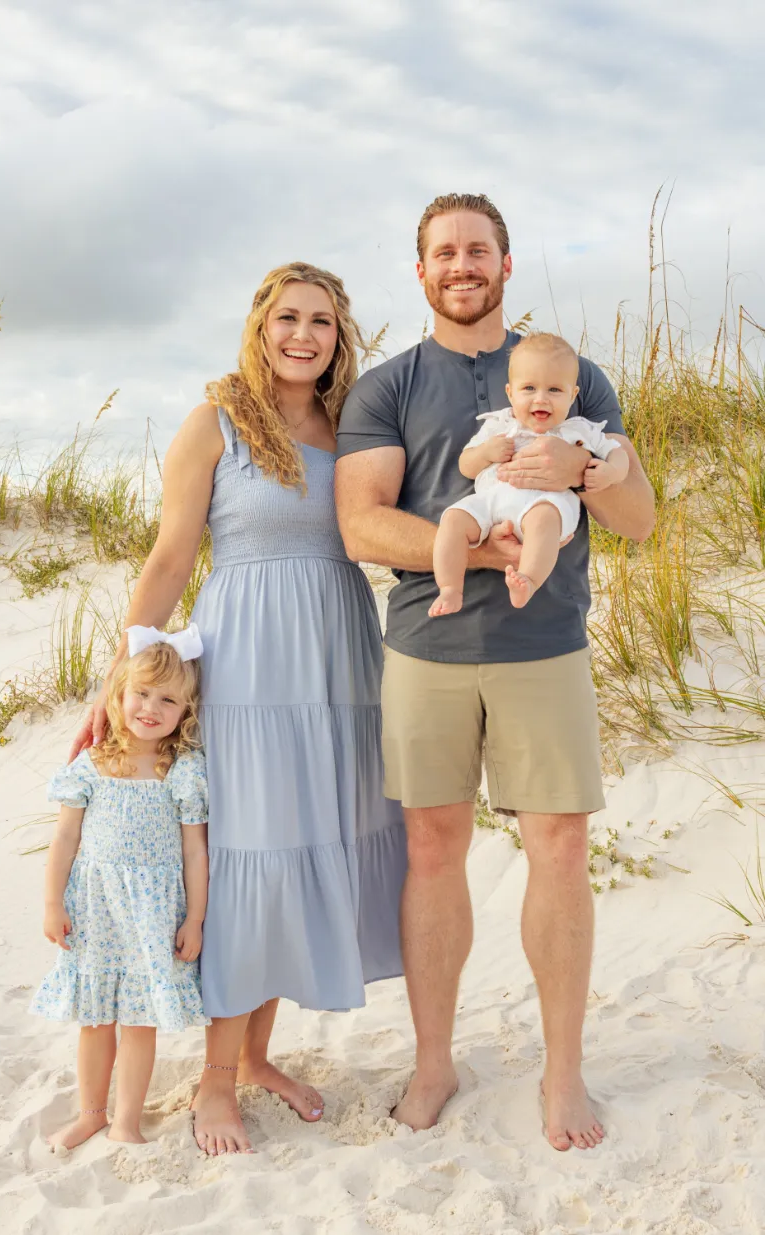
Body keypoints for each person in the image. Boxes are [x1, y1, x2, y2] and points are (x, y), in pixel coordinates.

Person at [335, 193, 655, 1151]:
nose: (461, 264)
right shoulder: (386, 386)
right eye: (445, 252)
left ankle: (564, 1076)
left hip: (544, 646)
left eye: (479, 250)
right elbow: (362, 523)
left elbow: (637, 518)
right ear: (422, 269)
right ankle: (435, 1061)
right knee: (433, 851)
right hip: (425, 649)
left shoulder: (570, 372)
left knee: (558, 849)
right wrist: (477, 549)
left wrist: (587, 471)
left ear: (506, 264)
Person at [70, 262, 406, 1157]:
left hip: (338, 664)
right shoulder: (213, 423)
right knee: (249, 856)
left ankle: (257, 1057)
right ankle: (214, 1083)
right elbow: (171, 559)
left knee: (305, 850)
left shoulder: (353, 426)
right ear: (260, 326)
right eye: (288, 317)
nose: (304, 334)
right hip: (250, 670)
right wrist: (118, 678)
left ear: (341, 337)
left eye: (322, 322)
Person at [32, 630, 209, 1150]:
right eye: (142, 693)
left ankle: (128, 1119)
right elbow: (65, 839)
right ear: (118, 696)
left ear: (185, 711)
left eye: (168, 699)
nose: (151, 707)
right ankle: (91, 1113)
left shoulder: (180, 771)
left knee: (139, 1020)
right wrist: (52, 903)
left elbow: (195, 851)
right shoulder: (91, 764)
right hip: (95, 909)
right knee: (95, 1017)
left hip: (153, 915)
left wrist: (194, 918)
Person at [430, 332, 629, 615]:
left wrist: (610, 472)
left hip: (544, 501)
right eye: (529, 389)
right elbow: (466, 464)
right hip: (492, 499)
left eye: (555, 390)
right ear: (511, 393)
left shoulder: (578, 430)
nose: (541, 399)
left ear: (573, 394)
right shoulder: (499, 426)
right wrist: (486, 453)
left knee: (545, 519)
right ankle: (450, 588)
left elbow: (618, 454)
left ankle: (528, 581)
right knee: (452, 519)